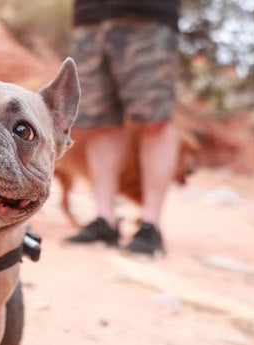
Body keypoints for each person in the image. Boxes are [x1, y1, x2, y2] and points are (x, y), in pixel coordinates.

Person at [64, 0, 181, 256]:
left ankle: (151, 225)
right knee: (99, 121)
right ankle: (105, 219)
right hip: (89, 17)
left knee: (155, 118)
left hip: (146, 16)